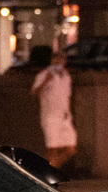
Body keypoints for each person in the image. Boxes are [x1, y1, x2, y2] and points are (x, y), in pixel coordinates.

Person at [28, 42, 76, 175]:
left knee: (71, 149)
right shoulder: (44, 74)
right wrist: (46, 81)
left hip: (64, 117)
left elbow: (67, 97)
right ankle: (50, 174)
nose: (58, 61)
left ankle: (49, 171)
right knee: (52, 149)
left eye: (61, 59)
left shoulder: (66, 76)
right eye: (55, 58)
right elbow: (34, 92)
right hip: (50, 116)